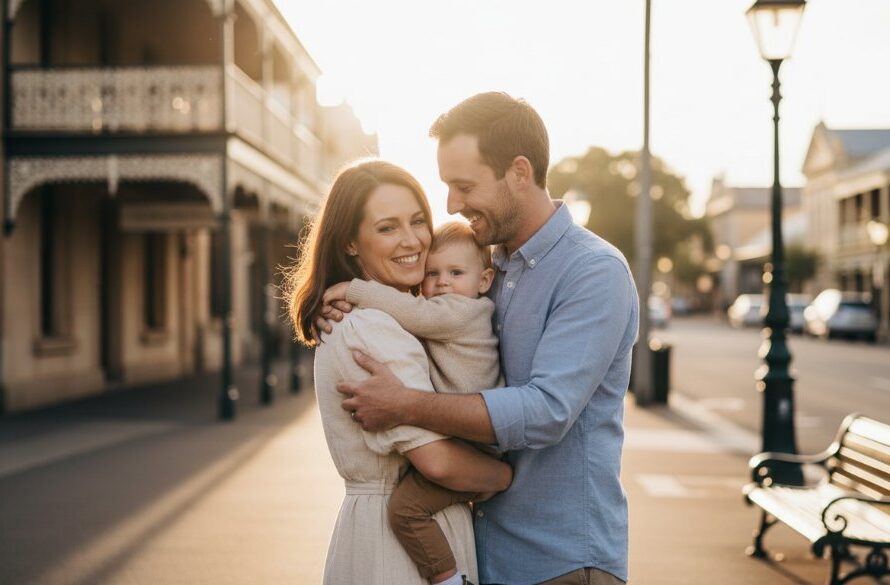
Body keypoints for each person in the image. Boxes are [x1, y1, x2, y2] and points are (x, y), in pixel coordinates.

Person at [320, 93, 639, 585]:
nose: (451, 204)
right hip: (484, 552)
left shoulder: (592, 272)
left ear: (518, 172)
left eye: (463, 185)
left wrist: (405, 404)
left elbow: (547, 411)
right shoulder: (485, 266)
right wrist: (340, 307)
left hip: (559, 560)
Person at [288, 159, 513, 585]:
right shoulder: (371, 327)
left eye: (417, 222)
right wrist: (504, 475)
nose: (412, 240)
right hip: (398, 549)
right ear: (351, 243)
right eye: (387, 228)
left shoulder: (372, 316)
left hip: (381, 530)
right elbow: (439, 464)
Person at [322, 221, 501, 584]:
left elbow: (416, 314)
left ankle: (447, 578)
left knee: (406, 510)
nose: (442, 282)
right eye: (433, 273)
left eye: (455, 272)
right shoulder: (378, 323)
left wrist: (353, 290)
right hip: (464, 448)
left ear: (484, 281)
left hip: (474, 445)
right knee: (407, 509)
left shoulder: (462, 312)